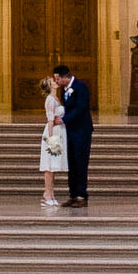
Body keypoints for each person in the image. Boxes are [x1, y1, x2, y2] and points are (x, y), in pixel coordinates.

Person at [53, 61, 93, 207]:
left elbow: (81, 108)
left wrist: (63, 119)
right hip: (70, 131)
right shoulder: (64, 90)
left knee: (80, 162)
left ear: (65, 77)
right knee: (72, 163)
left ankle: (82, 195)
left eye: (57, 79)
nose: (56, 82)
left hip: (82, 131)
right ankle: (73, 194)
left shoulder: (80, 87)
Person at [38, 75, 65, 207]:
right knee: (49, 166)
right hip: (52, 133)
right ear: (50, 86)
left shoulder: (56, 99)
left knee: (53, 166)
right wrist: (51, 139)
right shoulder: (50, 99)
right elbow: (50, 120)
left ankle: (51, 194)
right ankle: (47, 194)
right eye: (53, 81)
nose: (56, 81)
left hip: (58, 132)